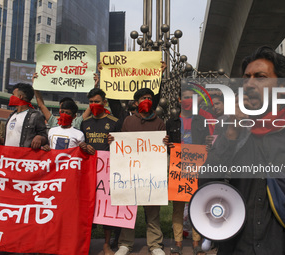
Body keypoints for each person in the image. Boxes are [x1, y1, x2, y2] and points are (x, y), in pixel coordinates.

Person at [199, 46, 285, 254]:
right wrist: (231, 132)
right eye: (246, 77)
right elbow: (205, 187)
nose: (249, 84)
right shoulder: (232, 132)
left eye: (260, 77)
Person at [111, 88, 166, 255]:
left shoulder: (159, 122)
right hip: (130, 172)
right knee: (128, 208)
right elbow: (121, 144)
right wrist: (113, 141)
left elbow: (163, 147)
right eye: (143, 98)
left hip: (151, 174)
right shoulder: (127, 121)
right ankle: (125, 244)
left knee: (153, 211)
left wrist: (165, 142)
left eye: (149, 98)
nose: (147, 101)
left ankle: (155, 244)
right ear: (135, 103)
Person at [166, 86, 208, 255]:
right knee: (177, 208)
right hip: (177, 168)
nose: (188, 101)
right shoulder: (172, 122)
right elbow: (167, 147)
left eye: (191, 97)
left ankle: (197, 243)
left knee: (196, 205)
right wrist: (167, 145)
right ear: (178, 100)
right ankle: (178, 243)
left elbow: (206, 144)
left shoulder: (200, 121)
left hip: (196, 168)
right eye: (185, 97)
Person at [79, 87, 122, 255]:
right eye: (90, 102)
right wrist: (83, 145)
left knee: (106, 208)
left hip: (108, 172)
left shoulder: (114, 121)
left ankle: (106, 244)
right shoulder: (85, 122)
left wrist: (115, 142)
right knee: (88, 207)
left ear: (104, 102)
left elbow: (123, 145)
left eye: (96, 101)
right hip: (89, 173)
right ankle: (85, 242)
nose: (93, 104)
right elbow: (78, 145)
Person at [32, 72, 99, 129]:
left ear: (74, 115)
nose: (64, 114)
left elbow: (91, 106)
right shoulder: (54, 122)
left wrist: (95, 87)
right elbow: (41, 105)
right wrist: (35, 85)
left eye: (67, 112)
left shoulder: (77, 123)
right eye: (62, 111)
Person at [0, 83, 47, 148]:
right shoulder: (11, 115)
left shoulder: (35, 115)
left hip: (23, 157)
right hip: (7, 156)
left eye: (13, 95)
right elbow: (9, 140)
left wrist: (40, 138)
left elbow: (45, 137)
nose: (11, 97)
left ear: (20, 96)